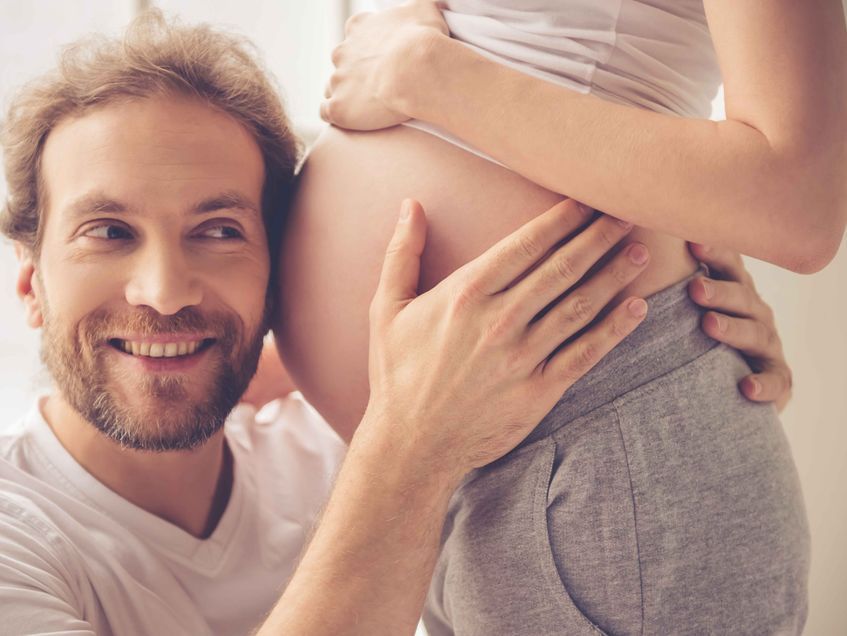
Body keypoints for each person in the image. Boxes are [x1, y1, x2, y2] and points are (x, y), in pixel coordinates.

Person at [0, 11, 795, 636]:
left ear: (278, 275)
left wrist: (691, 327)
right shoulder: (15, 538)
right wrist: (411, 443)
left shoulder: (320, 447)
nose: (165, 292)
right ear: (30, 283)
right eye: (108, 232)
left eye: (219, 230)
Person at [295, 0, 840, 633]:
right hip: (430, 474)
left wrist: (423, 74)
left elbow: (797, 200)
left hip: (608, 448)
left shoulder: (418, 70)